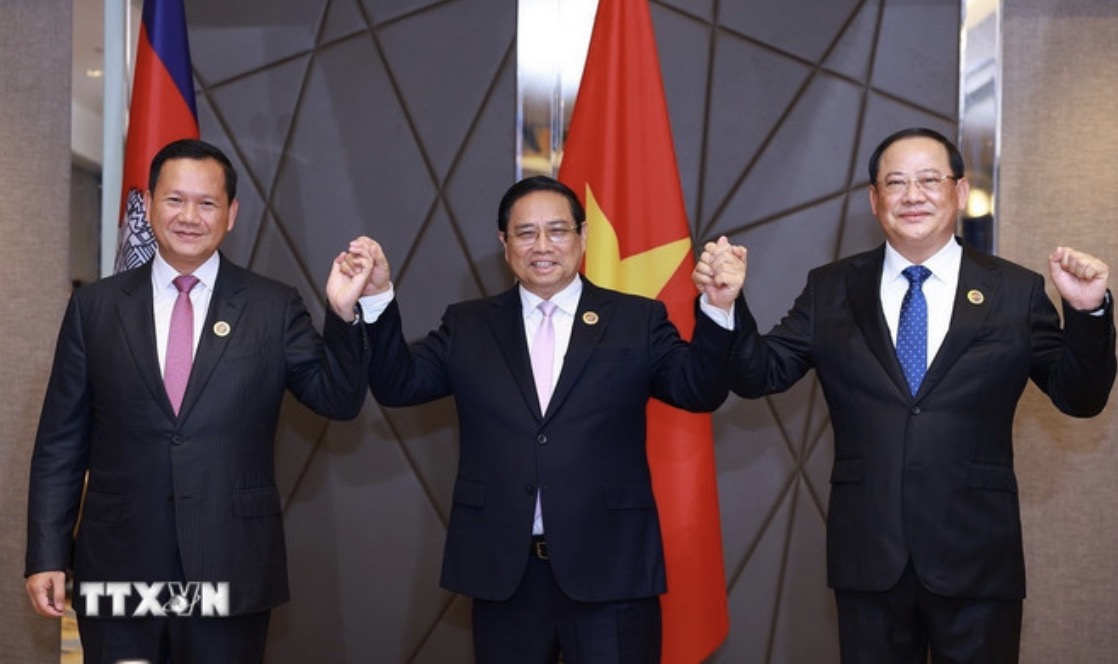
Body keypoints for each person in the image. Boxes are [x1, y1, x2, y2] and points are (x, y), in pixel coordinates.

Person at [698, 127, 1116, 663]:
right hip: (868, 554)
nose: (912, 195)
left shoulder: (1015, 290)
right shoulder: (831, 288)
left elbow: (1079, 397)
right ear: (874, 200)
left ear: (959, 192)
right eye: (895, 183)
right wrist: (725, 306)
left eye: (929, 180)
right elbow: (760, 374)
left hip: (977, 555)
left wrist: (1088, 313)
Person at [344, 175, 745, 662]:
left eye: (557, 231)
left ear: (583, 236)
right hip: (505, 574)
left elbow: (698, 390)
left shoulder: (636, 320)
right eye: (525, 233)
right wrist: (377, 297)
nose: (542, 246)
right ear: (504, 243)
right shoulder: (469, 325)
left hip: (610, 569)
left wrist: (717, 309)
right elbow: (398, 384)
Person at [25, 138, 375, 663]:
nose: (189, 217)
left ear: (231, 214)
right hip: (119, 567)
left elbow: (338, 399)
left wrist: (344, 316)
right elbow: (60, 444)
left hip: (229, 566)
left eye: (207, 203)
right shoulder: (95, 308)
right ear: (148, 204)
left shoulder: (272, 306)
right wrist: (46, 554)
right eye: (175, 200)